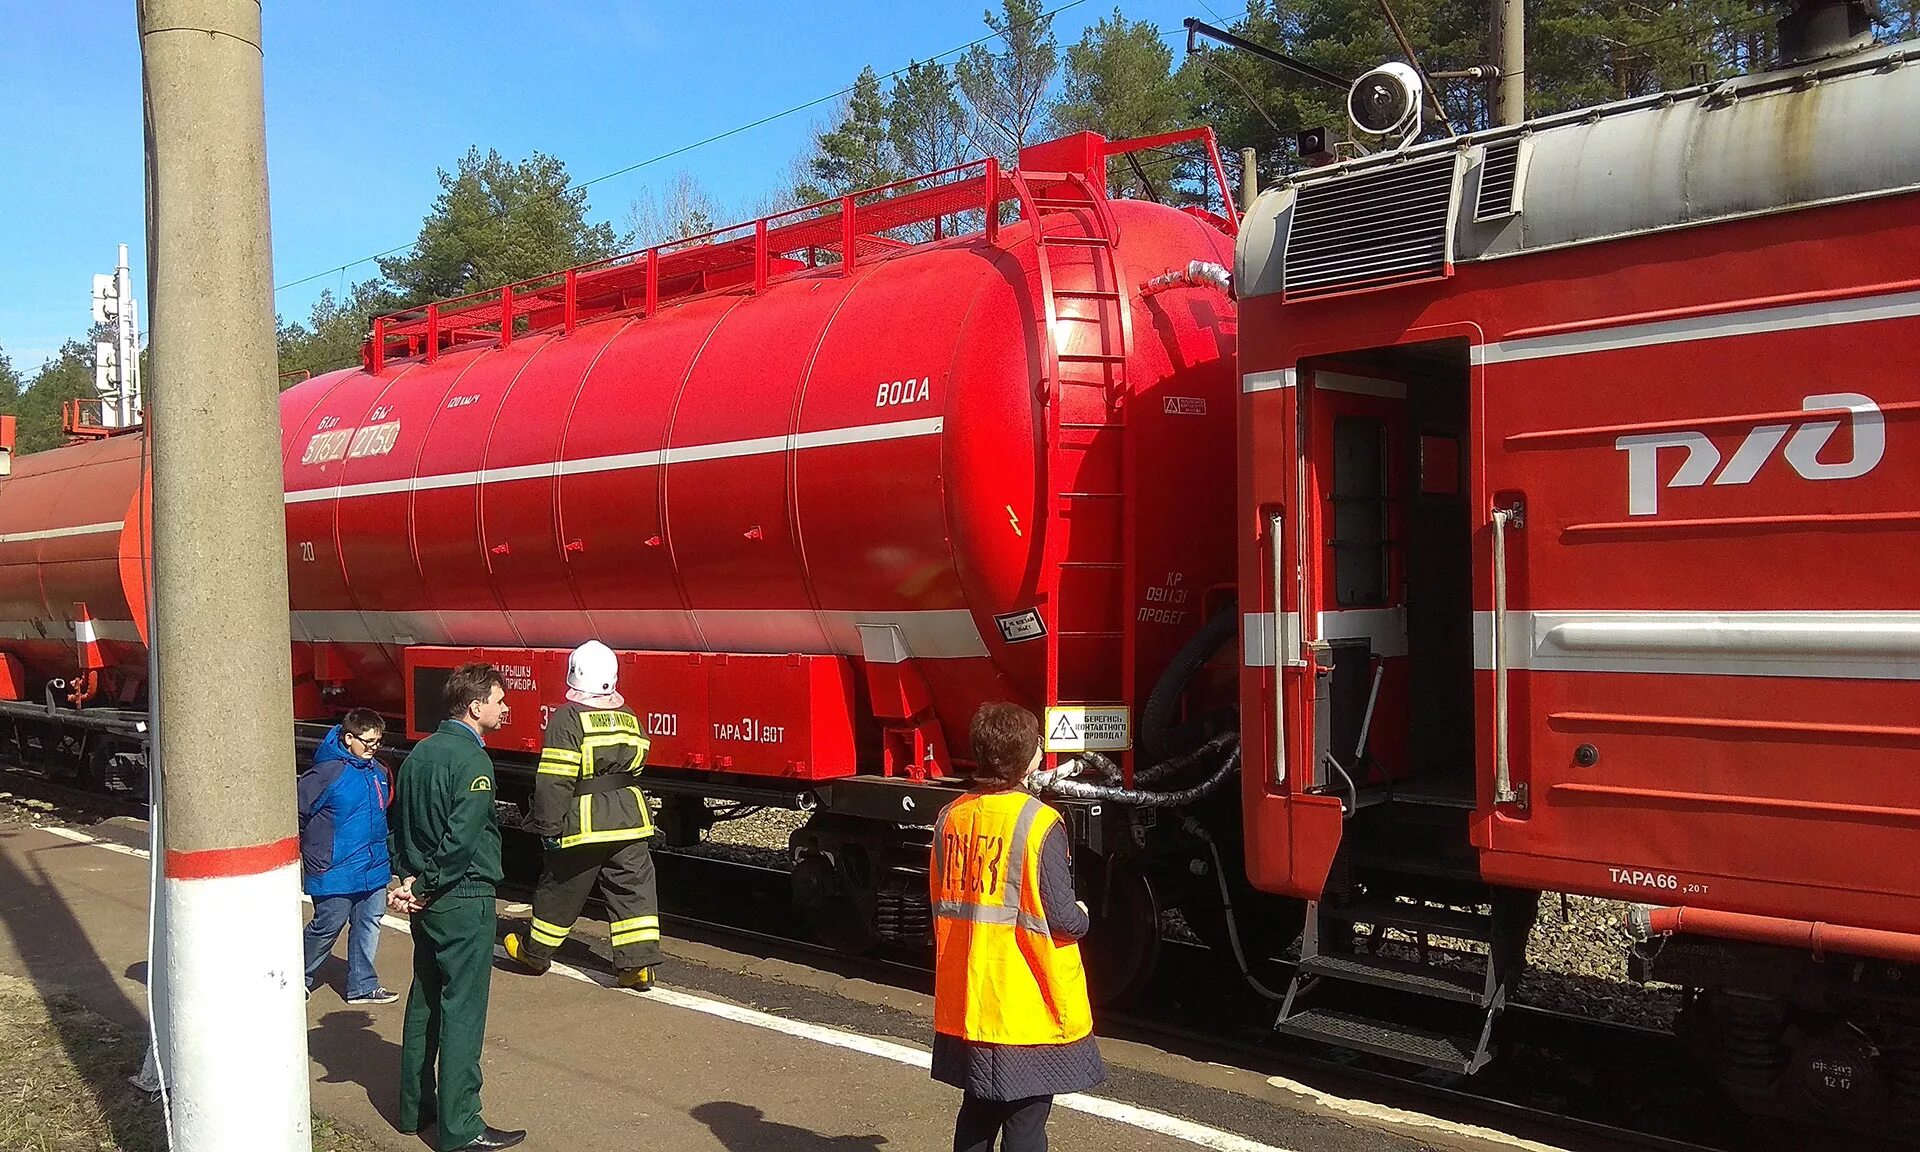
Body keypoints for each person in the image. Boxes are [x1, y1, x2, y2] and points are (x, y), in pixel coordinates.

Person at [929, 702, 1106, 1152]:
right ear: (1027, 760)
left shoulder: (951, 817)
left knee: (977, 1111)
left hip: (969, 999)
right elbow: (1063, 919)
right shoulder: (1039, 823)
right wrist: (1085, 913)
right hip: (1025, 1002)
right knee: (1026, 1120)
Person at [386, 663, 526, 1152]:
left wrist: (406, 879)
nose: (505, 707)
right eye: (499, 699)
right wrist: (426, 884)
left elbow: (399, 825)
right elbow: (462, 837)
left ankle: (413, 1110)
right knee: (463, 1011)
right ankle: (462, 1127)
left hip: (428, 900)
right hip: (462, 898)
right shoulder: (473, 763)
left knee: (425, 999)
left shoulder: (419, 754)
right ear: (475, 706)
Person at [502, 640, 662, 989]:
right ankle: (637, 965)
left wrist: (547, 824)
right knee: (633, 890)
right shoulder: (628, 715)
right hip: (630, 818)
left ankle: (535, 952)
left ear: (573, 674)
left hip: (584, 821)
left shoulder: (568, 718)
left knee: (562, 888)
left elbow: (555, 778)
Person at [298, 708, 398, 1004]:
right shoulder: (326, 774)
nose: (373, 747)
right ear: (349, 737)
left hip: (372, 867)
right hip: (333, 867)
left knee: (369, 923)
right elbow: (298, 813)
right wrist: (313, 856)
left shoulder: (379, 772)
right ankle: (298, 976)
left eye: (377, 742)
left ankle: (363, 985)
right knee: (327, 925)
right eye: (367, 741)